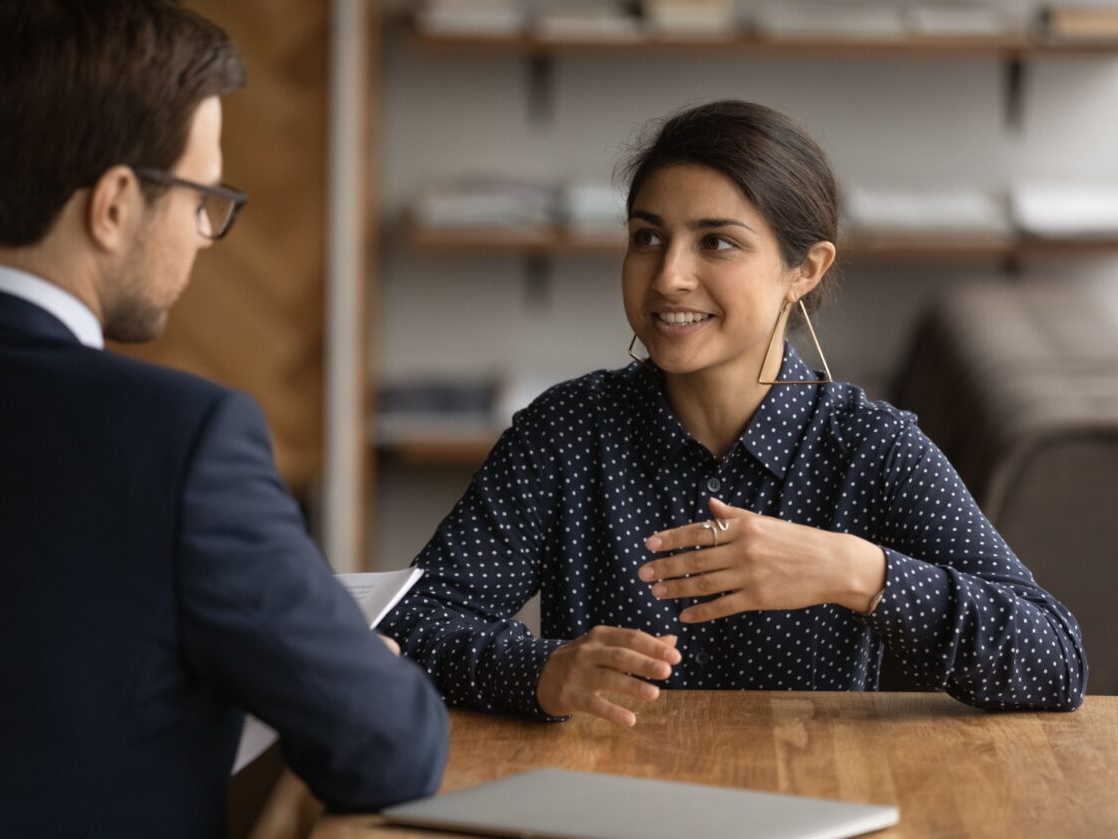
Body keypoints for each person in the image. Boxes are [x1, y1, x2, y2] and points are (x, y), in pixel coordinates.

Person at [381, 100, 1088, 727]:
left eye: (716, 241)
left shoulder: (871, 448)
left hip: (809, 801)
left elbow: (1055, 660)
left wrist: (857, 570)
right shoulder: (567, 431)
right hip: (605, 808)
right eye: (647, 236)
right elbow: (412, 623)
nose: (667, 277)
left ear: (804, 270)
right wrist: (538, 670)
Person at [0, 1, 447, 834]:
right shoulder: (181, 440)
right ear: (117, 202)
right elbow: (391, 750)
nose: (206, 234)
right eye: (201, 195)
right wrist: (359, 677)